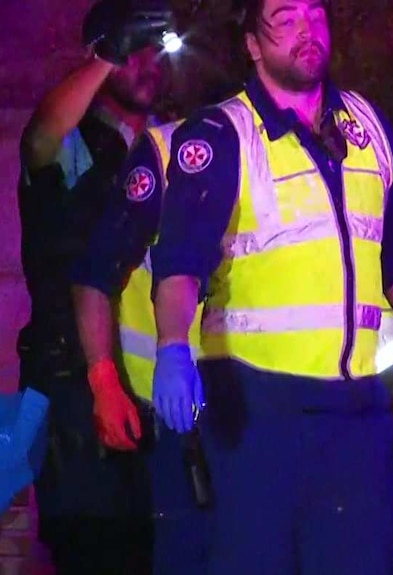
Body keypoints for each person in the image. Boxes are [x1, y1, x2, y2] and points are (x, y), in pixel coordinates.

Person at [146, 0, 393, 573]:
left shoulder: (366, 128)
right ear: (252, 42)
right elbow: (179, 262)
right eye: (285, 17)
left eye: (315, 13)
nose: (306, 30)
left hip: (357, 412)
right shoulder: (225, 134)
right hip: (259, 414)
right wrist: (173, 345)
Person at [16, 1, 172, 572]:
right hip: (73, 392)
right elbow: (37, 140)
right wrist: (111, 52)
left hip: (151, 388)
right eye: (134, 50)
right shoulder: (75, 140)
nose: (147, 63)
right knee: (95, 554)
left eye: (157, 50)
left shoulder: (169, 148)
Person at [70, 116, 210, 575]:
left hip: (261, 400)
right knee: (185, 547)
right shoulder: (167, 152)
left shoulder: (292, 150)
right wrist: (104, 382)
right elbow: (95, 272)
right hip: (173, 406)